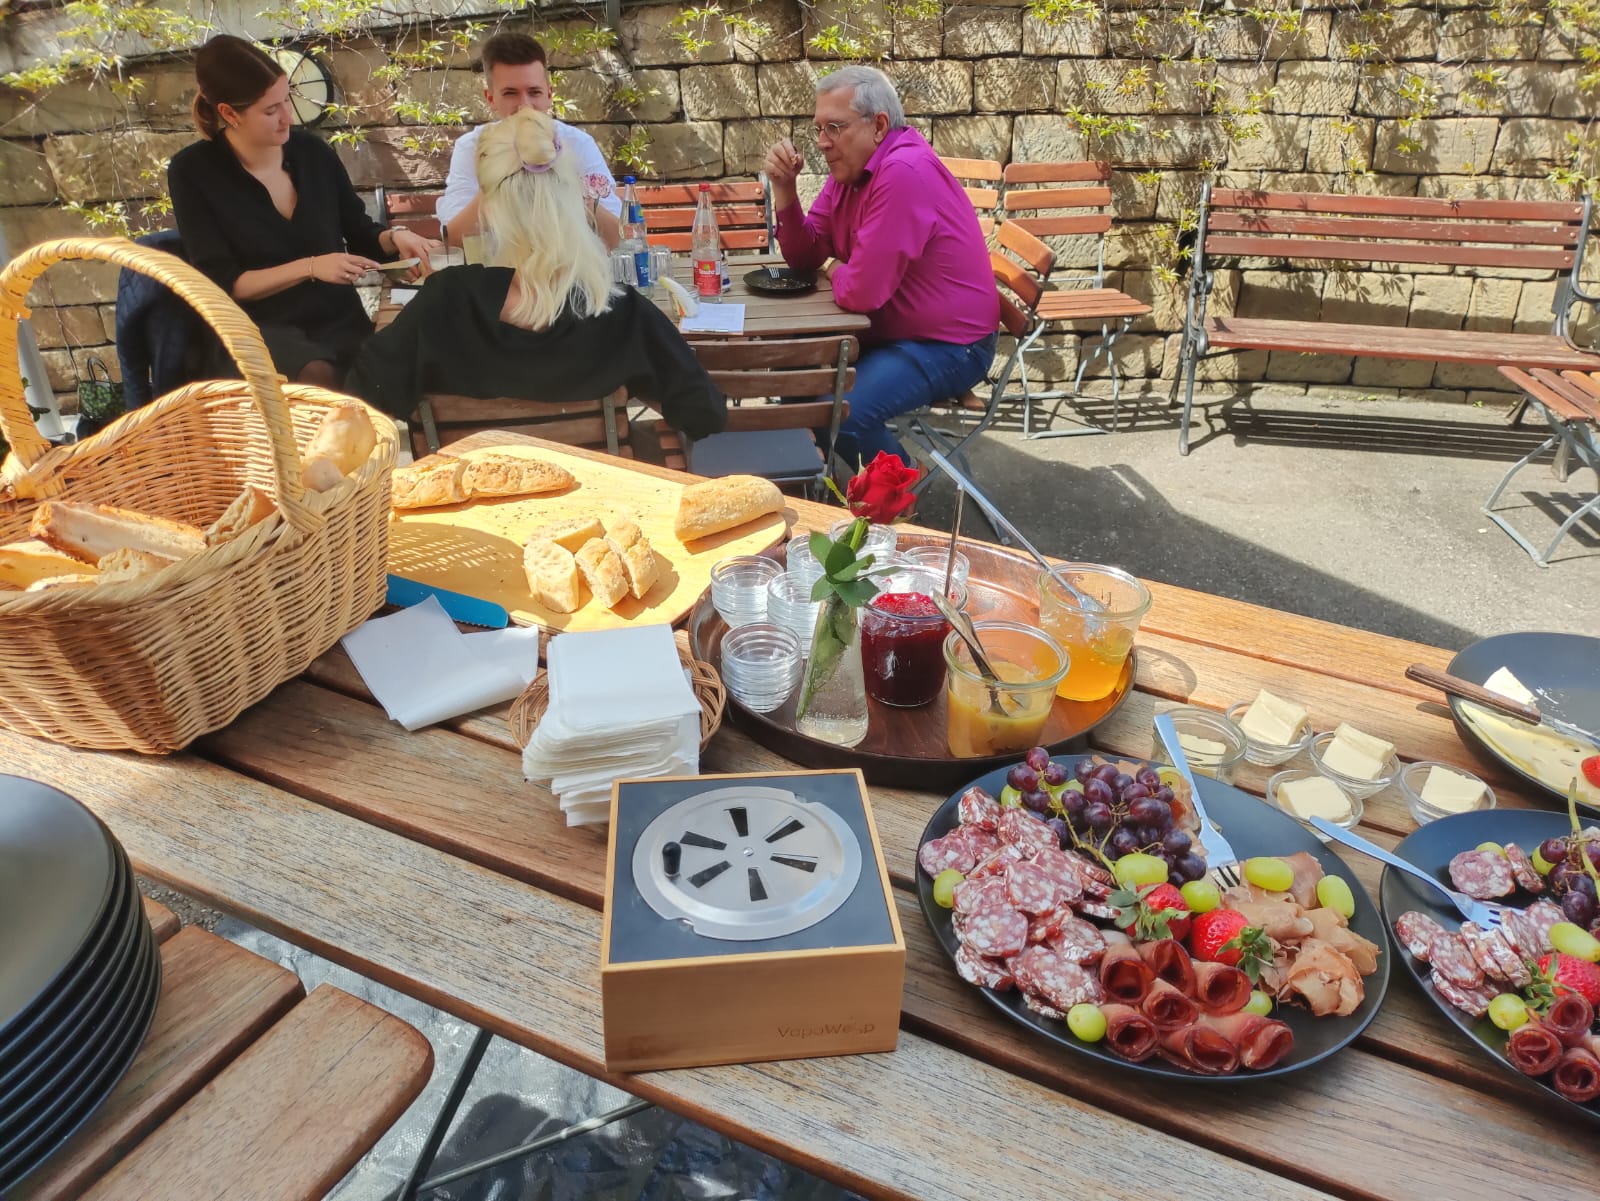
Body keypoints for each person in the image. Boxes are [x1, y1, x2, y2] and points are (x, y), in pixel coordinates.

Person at [345, 107, 725, 444]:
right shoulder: (619, 312)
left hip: (471, 514)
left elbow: (357, 403)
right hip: (598, 510)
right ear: (572, 198)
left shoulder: (442, 304)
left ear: (488, 206)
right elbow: (704, 415)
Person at [168, 35, 438, 388]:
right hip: (257, 330)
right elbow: (225, 284)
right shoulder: (192, 172)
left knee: (410, 358)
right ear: (229, 114)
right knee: (317, 377)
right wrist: (311, 267)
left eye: (287, 100)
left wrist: (396, 238)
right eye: (271, 110)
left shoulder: (314, 153)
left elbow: (359, 233)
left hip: (336, 321)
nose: (287, 117)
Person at [764, 65, 998, 467]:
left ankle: (901, 502)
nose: (821, 143)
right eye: (818, 129)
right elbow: (806, 257)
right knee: (794, 372)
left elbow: (860, 292)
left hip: (951, 345)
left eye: (834, 128)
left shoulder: (903, 173)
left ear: (879, 126)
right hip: (895, 331)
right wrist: (784, 189)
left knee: (842, 413)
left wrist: (836, 268)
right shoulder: (849, 173)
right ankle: (810, 487)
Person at [436, 33, 622, 252]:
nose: (525, 105)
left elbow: (617, 238)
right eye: (510, 93)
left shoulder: (577, 143)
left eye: (534, 92)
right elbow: (453, 241)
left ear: (549, 95)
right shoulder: (471, 148)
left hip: (568, 271)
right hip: (500, 276)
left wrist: (569, 189)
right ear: (490, 98)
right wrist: (494, 186)